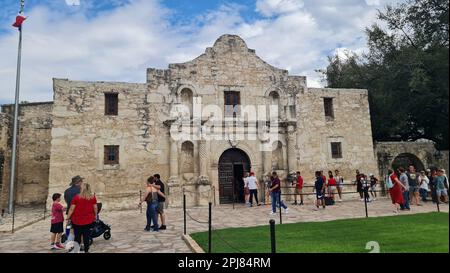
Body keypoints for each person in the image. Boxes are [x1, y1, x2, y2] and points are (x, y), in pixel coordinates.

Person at [66, 183, 98, 253]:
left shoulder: (76, 197)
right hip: (89, 220)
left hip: (77, 220)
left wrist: (68, 217)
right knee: (86, 237)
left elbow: (71, 209)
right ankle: (86, 251)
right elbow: (95, 207)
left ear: (81, 189)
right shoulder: (92, 197)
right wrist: (95, 215)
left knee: (77, 237)